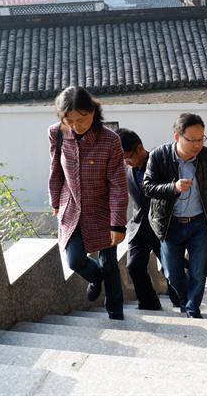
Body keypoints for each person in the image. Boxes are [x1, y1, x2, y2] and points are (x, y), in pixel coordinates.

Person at [48, 86, 128, 320]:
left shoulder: (110, 140)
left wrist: (118, 224)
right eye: (69, 120)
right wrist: (55, 201)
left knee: (109, 263)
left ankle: (115, 314)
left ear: (93, 111)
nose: (76, 126)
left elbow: (118, 185)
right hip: (71, 206)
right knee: (74, 260)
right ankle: (96, 277)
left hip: (103, 209)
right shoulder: (57, 133)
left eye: (81, 119)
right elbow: (55, 169)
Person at [143, 113, 207, 319]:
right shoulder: (159, 155)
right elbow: (147, 187)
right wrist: (173, 187)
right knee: (172, 273)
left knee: (199, 272)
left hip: (199, 223)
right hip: (170, 224)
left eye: (201, 139)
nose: (198, 145)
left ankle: (192, 308)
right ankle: (185, 299)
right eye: (192, 140)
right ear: (177, 137)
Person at [117, 128, 180, 310]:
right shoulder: (126, 168)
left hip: (162, 225)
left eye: (128, 157)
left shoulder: (161, 162)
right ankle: (149, 303)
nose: (126, 162)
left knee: (170, 267)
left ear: (139, 148)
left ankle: (180, 301)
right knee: (134, 265)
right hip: (139, 226)